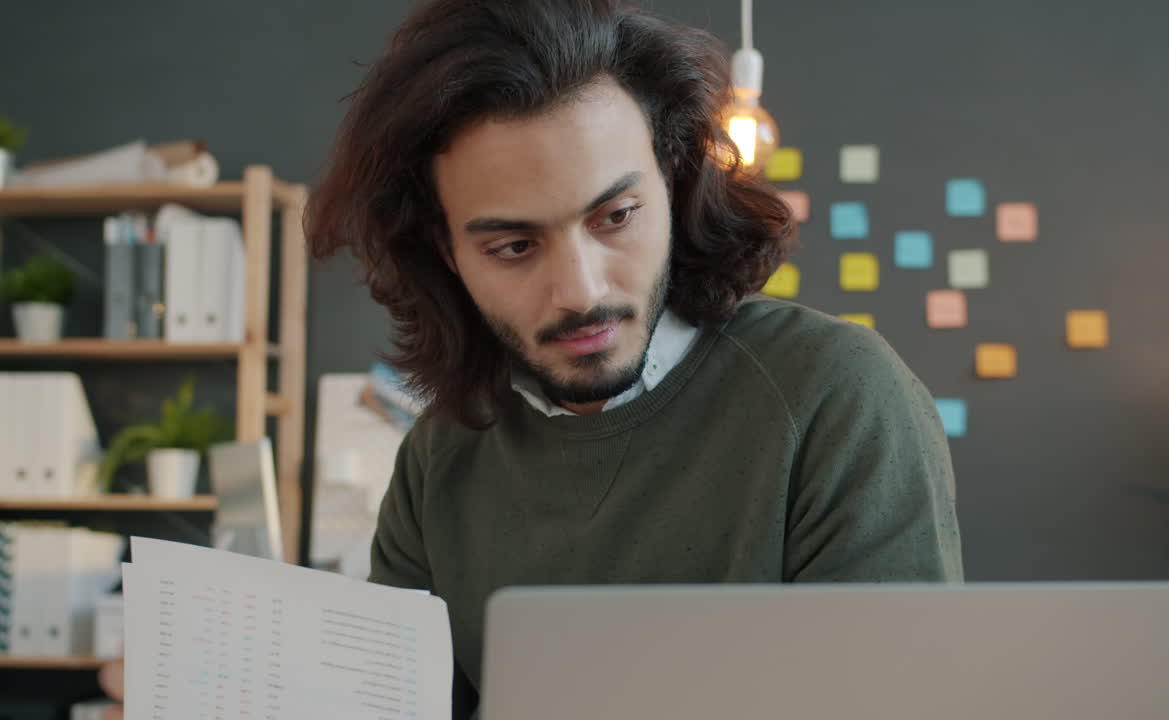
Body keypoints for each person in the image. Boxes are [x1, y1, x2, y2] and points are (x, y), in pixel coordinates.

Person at [101, 0, 962, 717]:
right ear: (446, 253)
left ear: (672, 181)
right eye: (513, 246)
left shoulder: (835, 398)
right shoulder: (441, 457)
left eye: (615, 217)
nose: (580, 291)